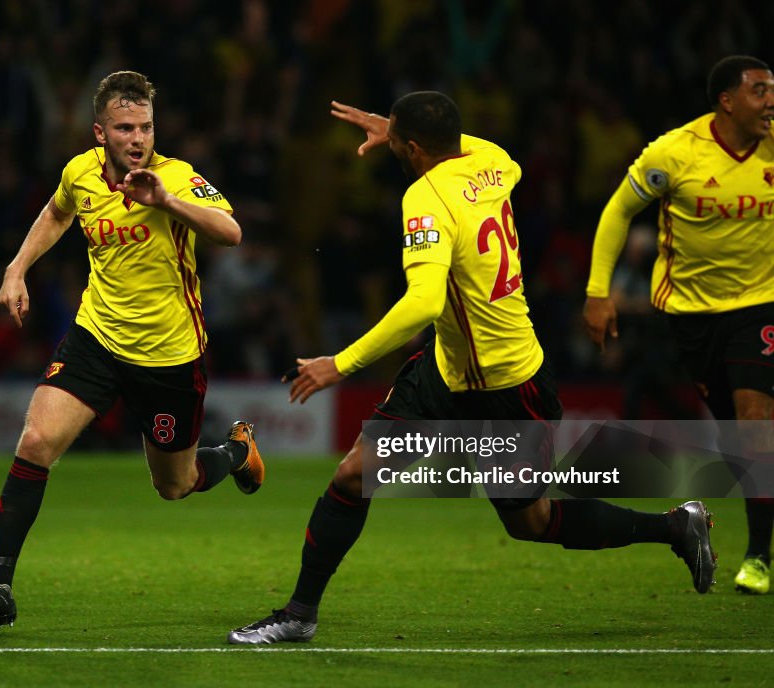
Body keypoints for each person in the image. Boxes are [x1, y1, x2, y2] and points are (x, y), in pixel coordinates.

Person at [227, 92, 715, 645]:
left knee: (532, 522)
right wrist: (396, 130)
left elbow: (423, 303)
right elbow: (491, 156)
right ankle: (299, 613)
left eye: (401, 143)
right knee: (353, 475)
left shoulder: (425, 198)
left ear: (412, 148)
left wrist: (340, 365)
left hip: (508, 387)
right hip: (445, 370)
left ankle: (676, 526)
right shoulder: (493, 163)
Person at [0, 71, 265, 628]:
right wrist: (17, 267)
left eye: (145, 126)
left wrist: (167, 201)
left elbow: (230, 232)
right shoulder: (80, 172)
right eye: (125, 127)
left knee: (174, 486)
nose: (138, 138)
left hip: (170, 354)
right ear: (101, 132)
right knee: (35, 441)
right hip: (96, 337)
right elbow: (57, 213)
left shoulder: (177, 177)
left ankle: (237, 454)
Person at [583, 55, 774, 595]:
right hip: (691, 312)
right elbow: (618, 211)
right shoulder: (674, 153)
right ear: (727, 101)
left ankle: (759, 555)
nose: (770, 101)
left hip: (761, 304)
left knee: (756, 425)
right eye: (759, 91)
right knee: (743, 438)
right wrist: (599, 292)